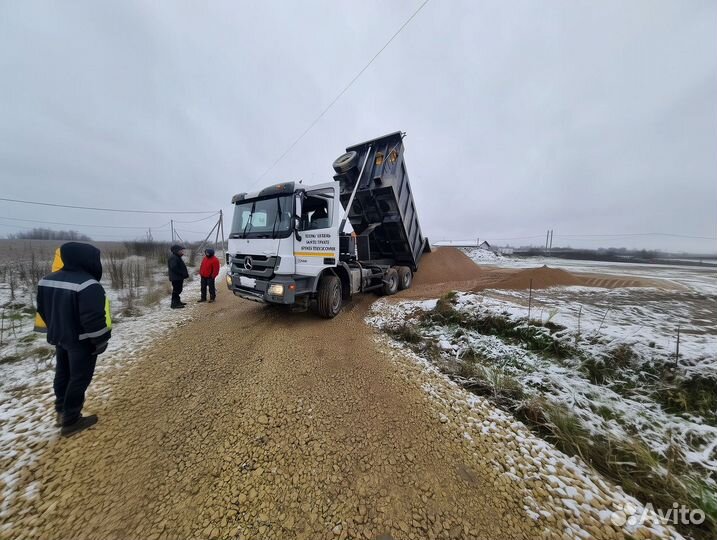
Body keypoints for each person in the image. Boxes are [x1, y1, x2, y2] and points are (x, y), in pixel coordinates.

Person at [35, 242, 112, 437]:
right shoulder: (88, 284)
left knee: (63, 373)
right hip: (81, 341)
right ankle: (71, 420)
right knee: (79, 377)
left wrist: (56, 327)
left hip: (59, 336)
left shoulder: (46, 280)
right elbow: (93, 318)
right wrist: (101, 340)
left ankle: (61, 410)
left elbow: (43, 309)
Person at [168, 244, 189, 308]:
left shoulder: (177, 257)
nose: (182, 251)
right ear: (176, 250)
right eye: (181, 250)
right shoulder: (173, 257)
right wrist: (182, 273)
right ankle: (174, 304)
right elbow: (174, 268)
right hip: (176, 278)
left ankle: (177, 302)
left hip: (178, 277)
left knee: (178, 290)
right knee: (176, 290)